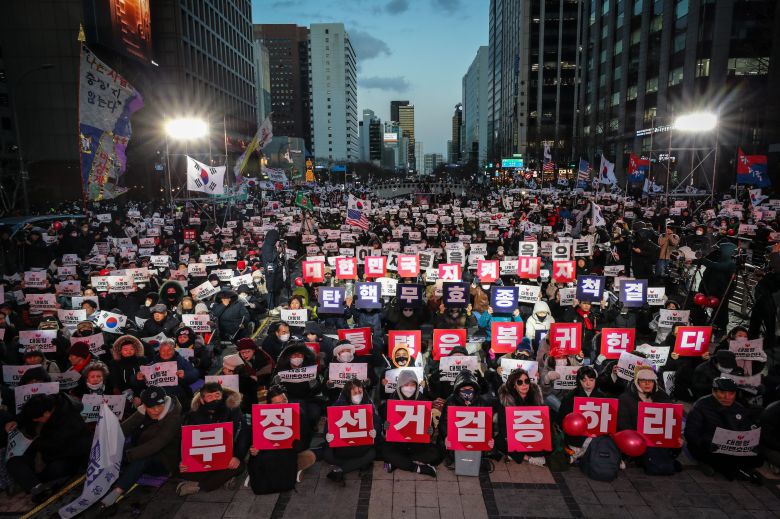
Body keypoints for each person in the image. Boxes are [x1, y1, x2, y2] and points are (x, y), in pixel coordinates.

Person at [100, 387, 183, 508]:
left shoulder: (174, 418)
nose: (156, 410)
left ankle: (118, 490)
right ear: (145, 406)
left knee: (143, 458)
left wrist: (128, 455)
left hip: (164, 460)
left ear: (164, 402)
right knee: (114, 447)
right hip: (140, 448)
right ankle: (102, 477)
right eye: (151, 407)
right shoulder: (143, 412)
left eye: (159, 406)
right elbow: (122, 430)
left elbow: (158, 442)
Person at [5, 393, 91, 503]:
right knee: (13, 461)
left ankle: (35, 484)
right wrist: (16, 421)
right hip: (40, 445)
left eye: (38, 419)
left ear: (47, 413)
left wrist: (34, 444)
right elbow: (28, 414)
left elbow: (59, 446)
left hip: (69, 455)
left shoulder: (70, 421)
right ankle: (36, 487)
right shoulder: (46, 403)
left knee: (55, 470)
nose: (35, 421)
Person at [684, 377, 763, 483]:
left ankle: (733, 467)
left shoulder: (739, 408)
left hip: (732, 447)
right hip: (708, 445)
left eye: (731, 394)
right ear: (714, 392)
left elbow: (746, 428)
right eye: (722, 393)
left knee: (758, 457)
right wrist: (711, 443)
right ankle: (728, 468)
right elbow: (691, 434)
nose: (727, 397)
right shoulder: (701, 406)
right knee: (722, 460)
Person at [176, 382, 249, 496]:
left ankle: (199, 486)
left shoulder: (233, 409)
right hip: (204, 457)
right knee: (184, 470)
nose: (214, 399)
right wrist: (183, 460)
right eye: (209, 396)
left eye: (217, 395)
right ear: (202, 399)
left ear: (222, 395)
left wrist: (237, 456)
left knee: (239, 466)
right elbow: (185, 440)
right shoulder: (193, 414)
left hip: (228, 455)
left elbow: (243, 435)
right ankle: (222, 479)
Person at [248, 384, 317, 484]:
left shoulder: (298, 412)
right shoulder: (261, 414)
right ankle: (280, 471)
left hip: (290, 453)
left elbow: (305, 441)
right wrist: (255, 448)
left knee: (310, 456)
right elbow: (255, 440)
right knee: (258, 457)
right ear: (270, 404)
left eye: (284, 401)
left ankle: (273, 472)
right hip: (269, 454)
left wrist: (287, 445)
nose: (282, 405)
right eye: (277, 403)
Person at [380, 369, 441, 476]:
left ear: (417, 386)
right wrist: (385, 428)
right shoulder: (392, 400)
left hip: (417, 445)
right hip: (398, 444)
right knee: (383, 450)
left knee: (436, 454)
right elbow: (386, 431)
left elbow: (429, 427)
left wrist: (430, 431)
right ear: (400, 385)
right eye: (406, 384)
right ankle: (418, 468)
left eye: (412, 384)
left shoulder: (423, 400)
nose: (409, 387)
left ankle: (398, 463)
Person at [323, 379, 381, 483]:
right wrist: (328, 435)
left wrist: (375, 431)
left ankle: (341, 470)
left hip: (361, 448)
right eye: (355, 393)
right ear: (347, 393)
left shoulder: (368, 404)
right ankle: (360, 464)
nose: (358, 395)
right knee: (327, 454)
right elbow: (328, 427)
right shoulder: (337, 406)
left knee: (372, 453)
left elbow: (377, 421)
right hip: (343, 449)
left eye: (360, 392)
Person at [496, 368, 547, 465]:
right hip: (514, 434)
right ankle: (528, 458)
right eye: (519, 382)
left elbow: (543, 419)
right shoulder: (507, 399)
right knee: (500, 441)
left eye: (527, 381)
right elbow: (502, 424)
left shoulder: (535, 396)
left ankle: (514, 454)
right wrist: (509, 437)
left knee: (550, 441)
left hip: (532, 433)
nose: (524, 384)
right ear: (514, 385)